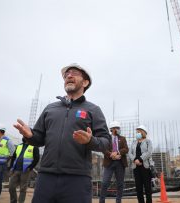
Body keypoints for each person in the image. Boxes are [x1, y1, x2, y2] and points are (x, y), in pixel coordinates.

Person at [14, 63, 111, 203]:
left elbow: (106, 143)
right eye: (66, 74)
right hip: (46, 177)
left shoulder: (93, 110)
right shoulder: (50, 109)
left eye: (74, 73)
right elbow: (39, 139)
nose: (69, 76)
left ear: (85, 82)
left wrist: (90, 141)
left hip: (77, 179)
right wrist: (30, 136)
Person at [99, 121, 129, 203]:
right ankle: (101, 201)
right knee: (105, 182)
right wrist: (111, 154)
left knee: (120, 184)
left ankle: (118, 201)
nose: (119, 130)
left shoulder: (122, 138)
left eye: (119, 128)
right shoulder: (106, 138)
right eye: (117, 128)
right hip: (109, 163)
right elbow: (103, 149)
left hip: (120, 163)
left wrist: (118, 152)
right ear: (112, 129)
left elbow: (126, 149)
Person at [9, 138, 40, 203]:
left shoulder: (34, 147)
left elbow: (37, 158)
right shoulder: (19, 146)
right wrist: (11, 166)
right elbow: (14, 157)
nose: (23, 137)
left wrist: (30, 167)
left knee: (23, 189)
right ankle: (13, 201)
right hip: (16, 169)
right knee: (11, 187)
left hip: (25, 171)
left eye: (25, 135)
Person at [129, 125, 154, 203]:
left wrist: (140, 159)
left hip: (145, 166)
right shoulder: (134, 142)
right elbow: (130, 153)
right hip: (136, 167)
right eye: (137, 132)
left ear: (143, 132)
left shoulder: (148, 141)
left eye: (139, 132)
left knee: (147, 187)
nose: (137, 133)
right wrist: (135, 159)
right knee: (138, 187)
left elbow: (149, 152)